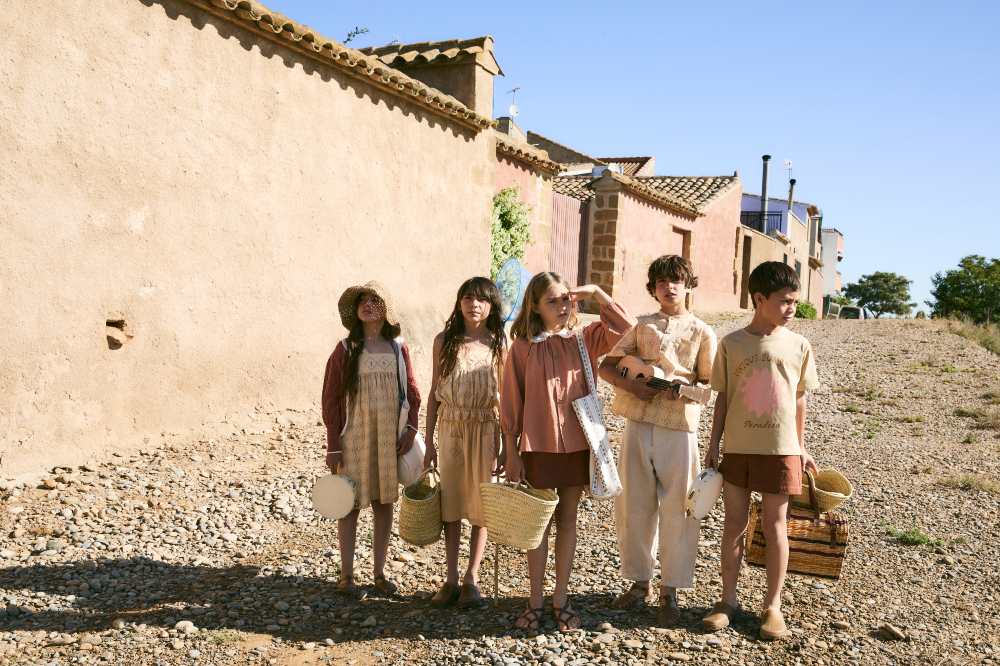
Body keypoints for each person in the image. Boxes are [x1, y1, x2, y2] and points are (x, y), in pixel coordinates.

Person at [501, 272, 634, 631]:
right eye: (553, 301)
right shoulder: (523, 348)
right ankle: (535, 600)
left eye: (566, 299)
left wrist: (596, 294)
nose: (562, 307)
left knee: (568, 520)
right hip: (538, 446)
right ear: (535, 306)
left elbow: (627, 329)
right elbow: (511, 401)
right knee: (539, 524)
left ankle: (561, 597)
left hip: (578, 444)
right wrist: (511, 452)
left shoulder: (585, 339)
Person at [702, 261, 820, 640]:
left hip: (780, 450)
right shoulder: (731, 343)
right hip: (737, 450)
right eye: (785, 301)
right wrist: (713, 444)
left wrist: (800, 449)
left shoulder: (800, 345)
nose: (791, 308)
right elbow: (722, 399)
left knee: (775, 526)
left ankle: (773, 606)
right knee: (733, 526)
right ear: (758, 299)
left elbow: (799, 401)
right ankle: (728, 600)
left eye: (794, 302)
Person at [597, 255, 717, 626]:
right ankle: (638, 583)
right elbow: (607, 365)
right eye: (662, 281)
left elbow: (710, 387)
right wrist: (633, 384)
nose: (669, 287)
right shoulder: (640, 326)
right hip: (638, 420)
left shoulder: (702, 332)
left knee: (679, 507)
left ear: (688, 284)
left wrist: (686, 391)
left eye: (676, 280)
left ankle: (671, 589)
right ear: (652, 288)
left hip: (680, 427)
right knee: (634, 504)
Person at [321, 281, 420, 597]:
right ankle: (347, 576)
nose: (368, 304)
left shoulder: (397, 348)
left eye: (375, 300)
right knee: (348, 503)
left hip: (389, 439)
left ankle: (379, 573)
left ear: (386, 310)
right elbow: (331, 398)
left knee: (383, 502)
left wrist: (411, 430)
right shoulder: (345, 349)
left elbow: (414, 394)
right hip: (353, 438)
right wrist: (334, 444)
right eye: (363, 300)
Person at [423, 277, 507, 608]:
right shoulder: (444, 341)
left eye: (482, 300)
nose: (475, 304)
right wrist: (427, 439)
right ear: (459, 303)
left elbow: (504, 399)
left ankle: (472, 577)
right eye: (469, 298)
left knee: (480, 504)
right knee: (452, 504)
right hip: (452, 426)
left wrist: (504, 441)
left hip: (485, 426)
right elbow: (433, 393)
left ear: (491, 307)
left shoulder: (499, 343)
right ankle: (451, 578)